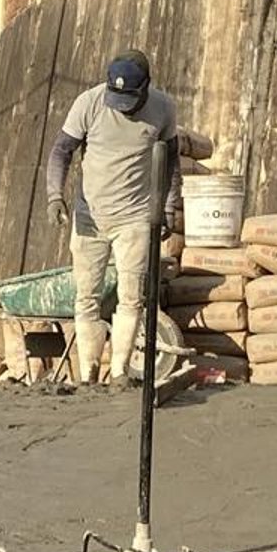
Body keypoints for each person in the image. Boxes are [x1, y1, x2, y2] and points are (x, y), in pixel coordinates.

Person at [44, 49, 180, 384]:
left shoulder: (163, 108)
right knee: (87, 295)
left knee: (131, 296)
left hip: (134, 217)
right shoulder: (88, 103)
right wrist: (54, 197)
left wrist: (169, 206)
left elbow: (171, 162)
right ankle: (89, 370)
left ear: (146, 88)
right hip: (90, 214)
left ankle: (119, 370)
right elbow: (61, 151)